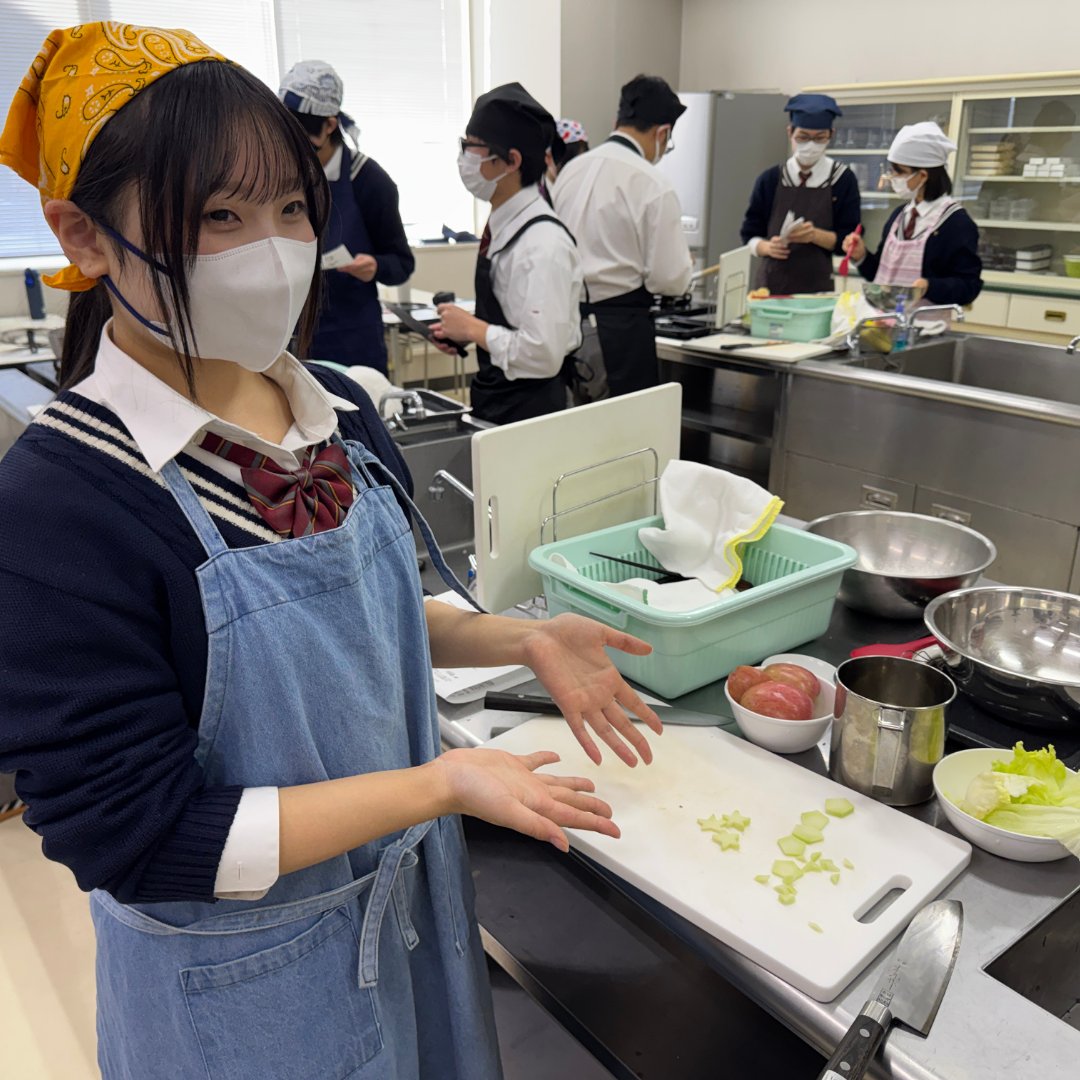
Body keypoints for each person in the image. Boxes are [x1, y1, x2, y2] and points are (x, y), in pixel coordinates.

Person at [0, 25, 663, 1079]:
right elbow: (142, 838)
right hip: (243, 992)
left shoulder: (339, 412)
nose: (270, 250)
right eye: (218, 217)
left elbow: (365, 618)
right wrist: (437, 786)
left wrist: (520, 639)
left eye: (290, 208)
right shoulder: (67, 503)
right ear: (84, 237)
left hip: (406, 927)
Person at [432, 83, 584, 425]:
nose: (464, 158)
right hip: (498, 400)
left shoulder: (542, 244)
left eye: (473, 147)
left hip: (531, 412)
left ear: (511, 161)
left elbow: (542, 354)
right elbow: (514, 319)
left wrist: (474, 330)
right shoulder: (504, 221)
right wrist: (463, 332)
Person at [553, 74, 693, 398]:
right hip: (619, 333)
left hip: (566, 324)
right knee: (624, 427)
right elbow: (669, 279)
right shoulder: (652, 183)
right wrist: (685, 266)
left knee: (571, 420)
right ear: (662, 132)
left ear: (619, 121)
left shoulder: (571, 170)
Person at [279, 60, 414, 374]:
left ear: (329, 125)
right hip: (291, 333)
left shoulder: (369, 180)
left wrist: (374, 266)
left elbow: (401, 264)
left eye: (301, 133)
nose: (293, 145)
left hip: (351, 339)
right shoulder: (283, 175)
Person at [843, 122, 982, 307]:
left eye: (899, 172)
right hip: (886, 318)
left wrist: (930, 287)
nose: (892, 177)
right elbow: (882, 276)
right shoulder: (899, 216)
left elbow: (969, 286)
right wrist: (862, 256)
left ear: (923, 176)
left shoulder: (956, 223)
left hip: (926, 321)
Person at [740, 93, 861, 294]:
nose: (811, 145)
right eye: (803, 137)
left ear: (831, 134)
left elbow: (848, 239)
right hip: (770, 287)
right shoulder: (771, 179)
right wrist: (766, 247)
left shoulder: (842, 179)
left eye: (819, 138)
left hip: (817, 289)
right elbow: (749, 234)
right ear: (790, 132)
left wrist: (814, 235)